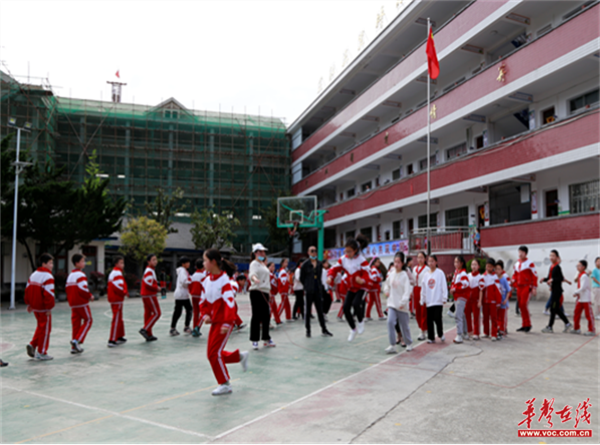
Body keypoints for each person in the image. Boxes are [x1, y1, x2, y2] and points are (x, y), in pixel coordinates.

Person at [200, 248, 249, 396]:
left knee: (213, 354)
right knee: (213, 354)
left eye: (205, 260)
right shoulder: (206, 281)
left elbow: (230, 304)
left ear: (213, 262)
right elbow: (202, 302)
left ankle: (225, 384)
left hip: (223, 323)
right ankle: (240, 356)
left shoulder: (225, 282)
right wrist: (205, 315)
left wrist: (227, 324)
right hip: (215, 323)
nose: (203, 263)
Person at [327, 234, 371, 342]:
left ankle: (361, 322)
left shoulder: (361, 260)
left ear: (355, 250)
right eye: (346, 251)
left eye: (349, 251)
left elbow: (367, 273)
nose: (347, 253)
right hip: (351, 287)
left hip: (362, 287)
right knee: (346, 308)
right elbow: (334, 269)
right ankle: (353, 329)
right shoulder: (343, 259)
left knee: (356, 304)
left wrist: (362, 280)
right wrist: (330, 277)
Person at [25, 253, 56, 361]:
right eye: (50, 263)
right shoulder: (48, 276)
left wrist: (28, 304)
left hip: (35, 307)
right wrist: (49, 308)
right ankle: (42, 352)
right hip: (43, 308)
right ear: (44, 264)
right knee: (46, 330)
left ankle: (33, 344)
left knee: (41, 327)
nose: (52, 265)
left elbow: (27, 290)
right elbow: (49, 294)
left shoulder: (33, 274)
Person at [300, 246, 334, 338]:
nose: (314, 252)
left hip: (318, 290)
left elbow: (319, 277)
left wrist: (320, 287)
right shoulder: (305, 265)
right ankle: (308, 330)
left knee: (320, 310)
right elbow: (301, 278)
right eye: (312, 251)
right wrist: (307, 286)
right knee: (308, 311)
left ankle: (324, 329)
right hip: (309, 290)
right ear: (308, 252)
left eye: (315, 251)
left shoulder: (319, 264)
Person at [383, 252, 413, 353]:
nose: (396, 264)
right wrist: (386, 291)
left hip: (402, 306)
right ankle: (392, 345)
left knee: (404, 326)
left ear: (403, 263)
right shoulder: (391, 273)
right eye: (395, 261)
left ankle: (408, 343)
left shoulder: (404, 275)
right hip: (392, 304)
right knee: (390, 322)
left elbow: (407, 291)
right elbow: (386, 285)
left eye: (398, 262)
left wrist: (403, 302)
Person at [248, 243, 275, 350]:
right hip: (256, 291)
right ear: (255, 253)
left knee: (266, 315)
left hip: (265, 292)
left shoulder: (263, 264)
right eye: (260, 251)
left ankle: (266, 338)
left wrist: (269, 293)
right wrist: (255, 279)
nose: (263, 253)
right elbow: (252, 274)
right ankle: (255, 340)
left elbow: (267, 280)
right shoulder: (254, 263)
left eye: (263, 252)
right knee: (256, 316)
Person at [66, 253, 94, 354]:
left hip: (73, 303)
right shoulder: (81, 275)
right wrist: (89, 295)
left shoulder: (70, 275)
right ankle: (77, 341)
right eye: (82, 261)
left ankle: (74, 347)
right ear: (77, 263)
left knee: (75, 325)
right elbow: (83, 289)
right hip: (81, 302)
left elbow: (67, 289)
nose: (84, 263)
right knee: (88, 320)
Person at [541, 250, 572, 334]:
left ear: (557, 257)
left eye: (553, 256)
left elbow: (560, 278)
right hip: (553, 291)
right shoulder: (551, 266)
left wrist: (552, 280)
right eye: (550, 256)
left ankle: (550, 327)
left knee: (553, 309)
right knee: (556, 309)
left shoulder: (557, 267)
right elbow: (549, 277)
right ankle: (567, 323)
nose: (551, 257)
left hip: (557, 292)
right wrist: (544, 279)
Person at [420, 255, 447, 343]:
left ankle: (440, 334)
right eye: (429, 261)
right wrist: (422, 299)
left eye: (432, 261)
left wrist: (444, 297)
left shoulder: (440, 273)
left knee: (437, 318)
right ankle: (431, 337)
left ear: (436, 262)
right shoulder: (426, 275)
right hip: (429, 301)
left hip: (438, 300)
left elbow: (444, 285)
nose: (430, 263)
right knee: (429, 320)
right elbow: (423, 288)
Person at [512, 246, 537, 333]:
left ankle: (528, 324)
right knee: (520, 306)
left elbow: (535, 275)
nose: (520, 253)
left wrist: (534, 287)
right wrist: (513, 282)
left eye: (522, 252)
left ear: (525, 253)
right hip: (519, 287)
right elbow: (514, 274)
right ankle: (524, 325)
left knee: (523, 304)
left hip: (526, 286)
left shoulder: (530, 263)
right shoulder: (516, 264)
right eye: (519, 252)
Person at [107, 256, 129, 347]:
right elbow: (118, 287)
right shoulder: (117, 273)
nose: (123, 265)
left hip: (115, 298)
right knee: (116, 318)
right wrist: (124, 293)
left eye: (123, 263)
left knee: (119, 317)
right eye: (121, 263)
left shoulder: (115, 272)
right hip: (117, 298)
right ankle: (112, 339)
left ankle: (119, 336)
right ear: (116, 264)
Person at [140, 254, 161, 341]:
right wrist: (157, 288)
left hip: (146, 295)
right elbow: (148, 283)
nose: (155, 261)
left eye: (156, 259)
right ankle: (145, 329)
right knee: (157, 313)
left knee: (148, 314)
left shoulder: (150, 270)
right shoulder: (149, 270)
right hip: (150, 295)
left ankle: (148, 334)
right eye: (153, 260)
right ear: (148, 261)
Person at [571, 260, 595, 335]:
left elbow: (583, 287)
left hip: (586, 299)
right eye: (577, 266)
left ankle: (591, 330)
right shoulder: (580, 274)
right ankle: (576, 328)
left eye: (579, 266)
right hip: (580, 298)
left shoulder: (584, 276)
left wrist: (576, 292)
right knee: (576, 313)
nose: (577, 267)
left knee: (588, 315)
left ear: (583, 267)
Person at [480, 258, 501, 341]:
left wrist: (498, 303)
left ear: (493, 268)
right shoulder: (482, 276)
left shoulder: (495, 277)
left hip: (493, 302)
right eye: (487, 266)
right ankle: (486, 332)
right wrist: (480, 301)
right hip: (485, 302)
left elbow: (498, 290)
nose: (488, 268)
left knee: (493, 318)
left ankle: (494, 334)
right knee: (485, 318)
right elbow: (480, 290)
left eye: (490, 267)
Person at [171, 257, 193, 336]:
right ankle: (186, 327)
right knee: (188, 310)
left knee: (179, 311)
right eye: (187, 262)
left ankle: (173, 328)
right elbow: (184, 282)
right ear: (183, 264)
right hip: (182, 295)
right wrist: (191, 281)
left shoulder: (183, 271)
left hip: (181, 294)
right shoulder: (182, 271)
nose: (189, 264)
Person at [450, 256, 470, 344]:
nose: (456, 264)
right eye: (455, 262)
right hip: (457, 296)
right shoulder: (457, 272)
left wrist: (455, 289)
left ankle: (459, 335)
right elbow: (454, 283)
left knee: (458, 316)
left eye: (457, 262)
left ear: (462, 263)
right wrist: (452, 288)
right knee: (462, 315)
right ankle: (465, 333)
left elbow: (465, 285)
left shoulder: (463, 273)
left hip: (461, 296)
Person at [413, 251, 430, 341]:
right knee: (417, 311)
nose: (420, 259)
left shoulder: (427, 269)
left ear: (425, 259)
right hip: (416, 290)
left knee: (424, 311)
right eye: (418, 257)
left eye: (421, 257)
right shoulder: (414, 268)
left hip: (423, 290)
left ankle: (423, 331)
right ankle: (422, 328)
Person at [466, 259, 483, 340]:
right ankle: (469, 331)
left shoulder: (480, 277)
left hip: (476, 300)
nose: (474, 266)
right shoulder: (468, 275)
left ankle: (476, 333)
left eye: (475, 264)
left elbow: (481, 290)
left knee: (476, 316)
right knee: (467, 315)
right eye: (472, 264)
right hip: (468, 299)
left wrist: (480, 301)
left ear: (478, 266)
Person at [189, 259, 207, 337]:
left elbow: (189, 286)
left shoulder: (193, 275)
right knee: (204, 312)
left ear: (195, 267)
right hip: (200, 296)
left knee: (196, 312)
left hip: (193, 295)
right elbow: (205, 287)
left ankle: (194, 328)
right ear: (203, 267)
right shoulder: (203, 276)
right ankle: (197, 327)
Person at [496, 260, 511, 337]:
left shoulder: (505, 278)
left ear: (502, 270)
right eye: (496, 269)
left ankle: (503, 330)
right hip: (497, 303)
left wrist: (506, 300)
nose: (497, 270)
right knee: (497, 317)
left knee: (503, 318)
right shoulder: (494, 278)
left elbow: (508, 290)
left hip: (503, 303)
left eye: (499, 269)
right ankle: (499, 329)